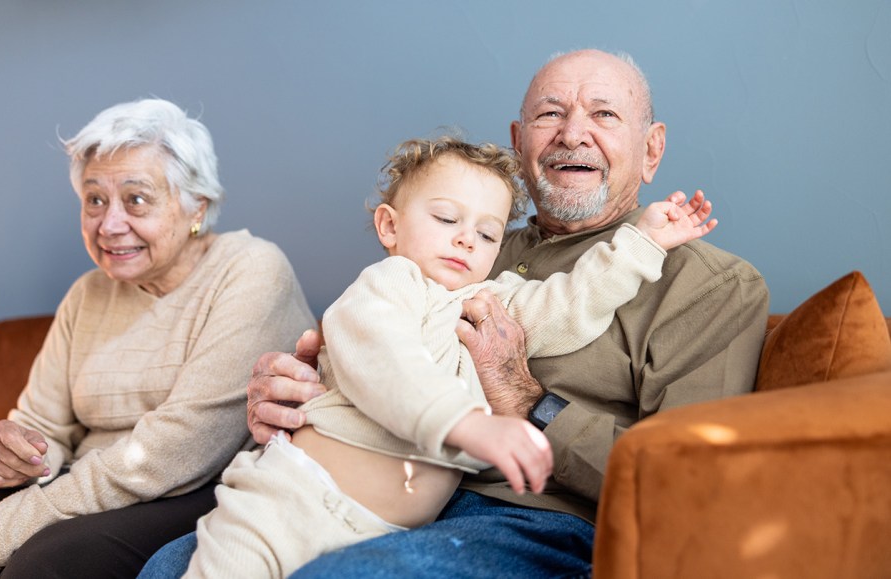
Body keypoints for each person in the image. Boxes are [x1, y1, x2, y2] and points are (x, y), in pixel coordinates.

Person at [246, 49, 771, 578]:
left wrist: (531, 404)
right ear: (520, 146)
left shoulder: (709, 284)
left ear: (651, 149)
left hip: (532, 520)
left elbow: (687, 486)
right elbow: (381, 350)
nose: (572, 134)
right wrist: (296, 398)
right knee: (177, 564)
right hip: (368, 485)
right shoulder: (463, 244)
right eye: (550, 114)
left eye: (604, 114)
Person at [141, 134, 718, 578]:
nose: (468, 239)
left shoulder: (492, 301)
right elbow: (388, 363)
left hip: (377, 528)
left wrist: (642, 243)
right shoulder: (386, 286)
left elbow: (569, 304)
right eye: (447, 220)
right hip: (289, 500)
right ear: (390, 226)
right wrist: (468, 425)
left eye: (489, 234)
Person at [0, 98, 315, 579]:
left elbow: (172, 455)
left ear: (195, 207)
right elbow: (43, 427)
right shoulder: (87, 293)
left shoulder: (252, 270)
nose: (109, 224)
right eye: (95, 200)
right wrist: (18, 459)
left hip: (196, 488)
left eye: (136, 199)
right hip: (86, 483)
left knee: (44, 568)